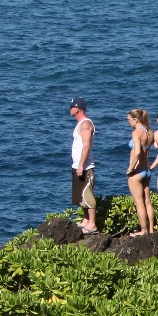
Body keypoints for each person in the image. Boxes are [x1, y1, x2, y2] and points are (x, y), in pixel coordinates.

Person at [68, 97, 98, 233]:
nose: (70, 109)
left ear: (77, 108)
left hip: (85, 167)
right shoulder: (80, 124)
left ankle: (92, 224)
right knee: (80, 196)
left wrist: (81, 165)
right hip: (77, 165)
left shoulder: (86, 124)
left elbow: (86, 146)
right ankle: (86, 220)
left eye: (72, 107)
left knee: (87, 195)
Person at [124, 109, 156, 234]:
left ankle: (143, 230)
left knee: (139, 202)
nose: (128, 123)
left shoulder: (136, 133)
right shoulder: (149, 132)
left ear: (135, 120)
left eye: (129, 120)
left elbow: (137, 152)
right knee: (147, 201)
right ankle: (151, 229)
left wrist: (131, 168)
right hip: (147, 170)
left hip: (137, 171)